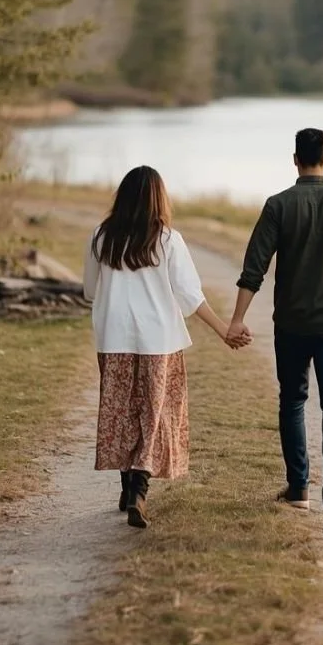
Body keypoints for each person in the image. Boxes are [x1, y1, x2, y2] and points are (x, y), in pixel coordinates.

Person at [227, 128, 323, 539]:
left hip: (293, 326)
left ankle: (298, 489)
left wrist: (237, 319)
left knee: (293, 401)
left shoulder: (278, 205)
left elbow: (253, 269)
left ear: (295, 160)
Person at [83, 165, 247, 528]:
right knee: (154, 413)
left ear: (122, 197)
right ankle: (139, 491)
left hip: (114, 340)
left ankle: (128, 487)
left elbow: (90, 292)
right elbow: (189, 295)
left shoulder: (101, 238)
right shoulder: (168, 240)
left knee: (122, 412)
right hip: (158, 342)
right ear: (159, 198)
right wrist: (223, 330)